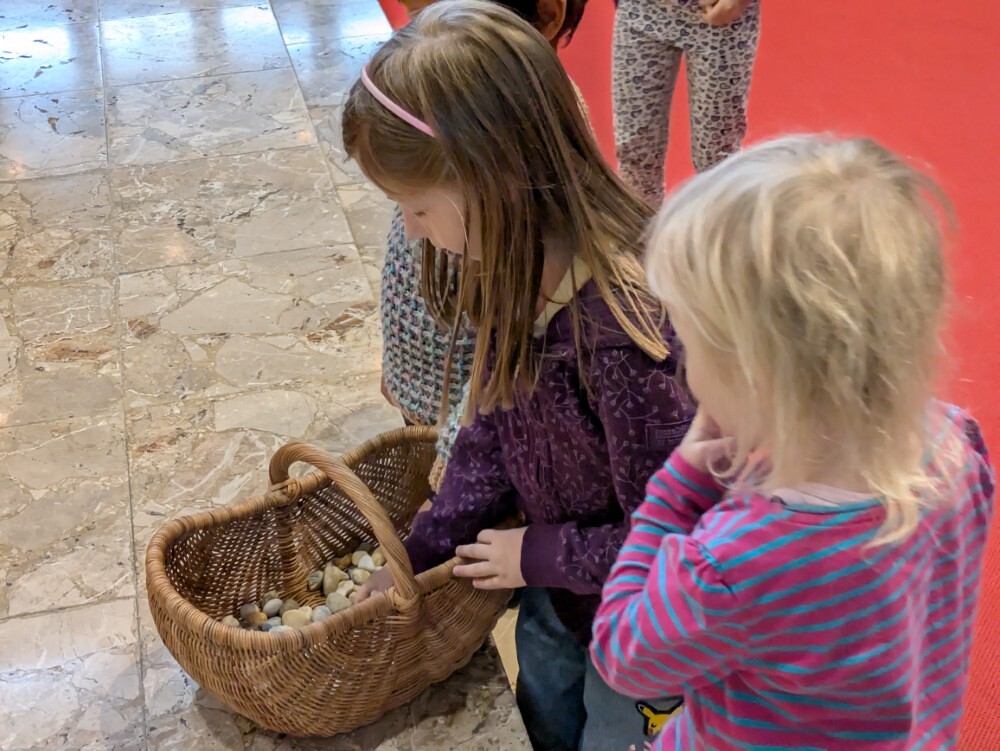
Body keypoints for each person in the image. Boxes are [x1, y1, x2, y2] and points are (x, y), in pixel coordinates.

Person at [341, 3, 696, 749]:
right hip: (557, 594)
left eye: (418, 207)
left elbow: (672, 544)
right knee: (546, 710)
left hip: (642, 628)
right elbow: (491, 433)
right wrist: (418, 553)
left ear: (494, 180)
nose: (410, 229)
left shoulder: (625, 342)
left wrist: (536, 553)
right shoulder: (508, 269)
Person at [591, 134, 995, 749]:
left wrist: (676, 494)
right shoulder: (956, 444)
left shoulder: (733, 564)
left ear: (757, 375)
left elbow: (623, 656)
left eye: (691, 345)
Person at [378, 0, 588, 476]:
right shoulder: (442, 101)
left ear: (546, 16)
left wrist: (460, 443)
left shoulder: (528, 136)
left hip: (471, 420)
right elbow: (412, 246)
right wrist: (397, 363)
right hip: (425, 381)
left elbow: (517, 335)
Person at [612, 0, 760, 206]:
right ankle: (639, 224)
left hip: (719, 19)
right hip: (641, 10)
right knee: (635, 151)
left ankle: (719, 224)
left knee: (717, 156)